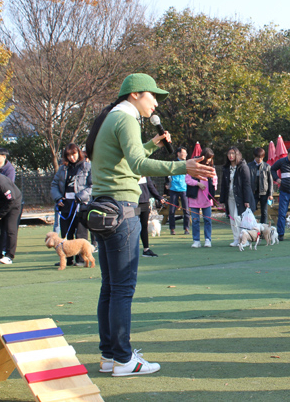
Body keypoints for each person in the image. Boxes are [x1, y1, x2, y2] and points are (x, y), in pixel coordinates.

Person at [86, 73, 215, 376]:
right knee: (122, 289)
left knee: (111, 287)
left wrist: (153, 143)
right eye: (153, 95)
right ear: (135, 94)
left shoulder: (112, 118)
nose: (156, 102)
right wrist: (184, 165)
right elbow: (137, 165)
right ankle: (123, 359)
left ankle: (109, 356)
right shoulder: (126, 118)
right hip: (122, 209)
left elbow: (127, 157)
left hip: (105, 208)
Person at [50, 143, 93, 266]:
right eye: (68, 155)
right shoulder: (63, 168)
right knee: (65, 232)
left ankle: (81, 259)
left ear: (78, 153)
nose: (72, 158)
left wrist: (81, 196)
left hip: (81, 204)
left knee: (80, 233)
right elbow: (54, 184)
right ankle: (67, 259)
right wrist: (58, 198)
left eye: (73, 154)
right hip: (65, 204)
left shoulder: (87, 167)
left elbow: (92, 186)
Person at [220, 147, 256, 247]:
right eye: (229, 153)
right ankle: (236, 239)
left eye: (233, 153)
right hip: (229, 197)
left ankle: (245, 239)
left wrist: (247, 199)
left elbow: (247, 184)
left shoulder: (243, 167)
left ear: (237, 155)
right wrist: (222, 200)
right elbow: (223, 184)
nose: (230, 156)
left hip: (240, 197)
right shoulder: (226, 168)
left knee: (237, 217)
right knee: (232, 218)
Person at [187, 148, 217, 248]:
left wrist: (213, 187)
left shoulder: (211, 167)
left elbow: (215, 179)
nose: (208, 160)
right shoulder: (194, 165)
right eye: (207, 158)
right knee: (195, 220)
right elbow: (187, 179)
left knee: (207, 219)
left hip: (207, 198)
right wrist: (198, 183)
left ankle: (208, 239)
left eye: (210, 158)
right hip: (194, 197)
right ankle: (196, 240)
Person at [138, 176, 163, 257]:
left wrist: (159, 198)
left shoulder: (145, 175)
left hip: (145, 203)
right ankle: (131, 250)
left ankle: (146, 249)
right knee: (134, 226)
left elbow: (151, 187)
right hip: (134, 204)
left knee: (144, 226)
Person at [167, 147, 190, 235]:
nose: (185, 154)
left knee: (186, 210)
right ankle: (172, 229)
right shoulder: (173, 163)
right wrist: (168, 182)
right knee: (172, 210)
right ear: (178, 153)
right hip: (174, 189)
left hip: (184, 189)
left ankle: (186, 228)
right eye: (184, 152)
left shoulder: (187, 163)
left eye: (186, 152)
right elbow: (167, 174)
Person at [248, 147, 273, 224]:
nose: (259, 159)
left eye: (261, 158)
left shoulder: (267, 166)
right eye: (257, 157)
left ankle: (263, 229)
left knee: (264, 212)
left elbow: (270, 181)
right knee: (251, 211)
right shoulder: (249, 166)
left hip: (264, 193)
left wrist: (270, 194)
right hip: (253, 192)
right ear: (254, 156)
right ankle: (252, 227)